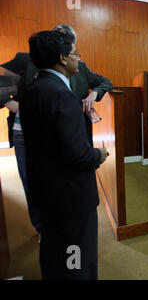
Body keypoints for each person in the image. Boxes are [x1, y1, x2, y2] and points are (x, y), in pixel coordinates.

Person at [1, 24, 113, 234]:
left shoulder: (80, 67)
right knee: (35, 182)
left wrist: (93, 94)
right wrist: (10, 103)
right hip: (27, 135)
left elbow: (105, 82)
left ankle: (66, 223)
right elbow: (1, 84)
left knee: (67, 179)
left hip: (66, 136)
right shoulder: (26, 61)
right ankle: (42, 227)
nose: (73, 54)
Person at [20, 30, 109, 280]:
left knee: (53, 252)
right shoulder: (62, 95)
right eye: (75, 54)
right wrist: (98, 155)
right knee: (76, 256)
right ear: (62, 58)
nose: (78, 60)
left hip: (46, 191)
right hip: (71, 196)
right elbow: (77, 154)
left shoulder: (33, 90)